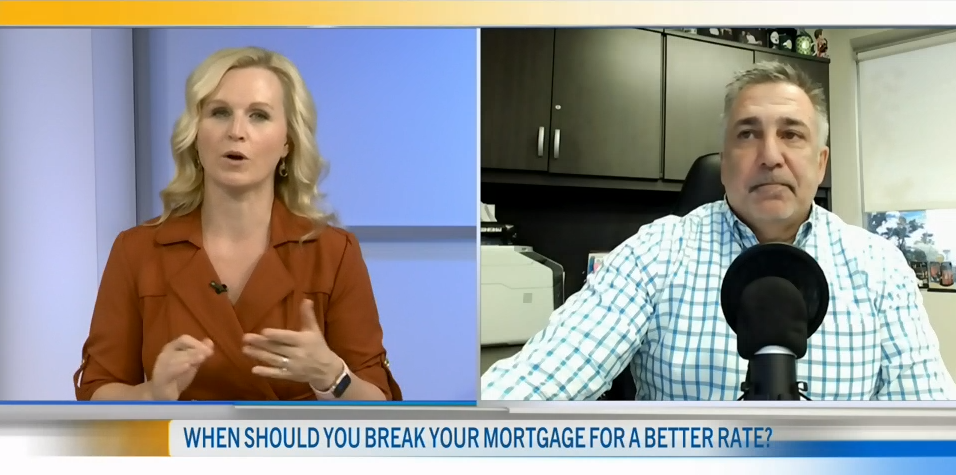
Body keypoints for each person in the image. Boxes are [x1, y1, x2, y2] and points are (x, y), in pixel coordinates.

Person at [481, 61, 956, 401]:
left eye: (791, 134)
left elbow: (928, 424)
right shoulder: (657, 252)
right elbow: (540, 381)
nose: (770, 156)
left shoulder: (879, 266)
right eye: (748, 134)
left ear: (821, 163)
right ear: (725, 162)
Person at [74, 47, 402, 402]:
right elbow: (97, 392)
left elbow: (379, 405)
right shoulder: (137, 251)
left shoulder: (333, 253)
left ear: (288, 142)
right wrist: (151, 396)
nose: (236, 131)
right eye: (219, 112)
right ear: (195, 134)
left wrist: (332, 376)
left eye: (259, 115)